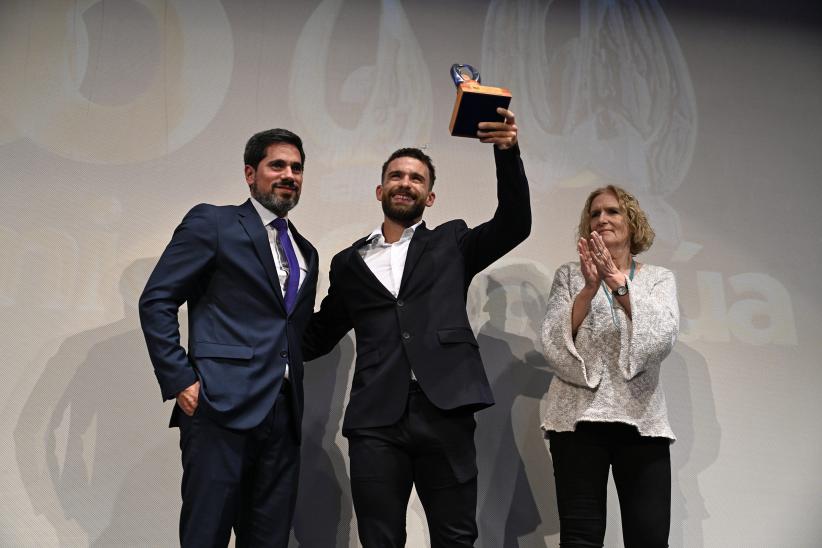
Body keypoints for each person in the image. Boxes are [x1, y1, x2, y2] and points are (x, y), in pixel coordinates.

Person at [303, 107, 530, 547]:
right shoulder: (348, 263)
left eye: (417, 179)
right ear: (380, 189)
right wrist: (256, 333)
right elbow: (317, 334)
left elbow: (516, 222)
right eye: (396, 176)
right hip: (375, 420)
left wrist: (507, 152)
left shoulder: (452, 242)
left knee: (455, 537)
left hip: (444, 409)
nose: (405, 183)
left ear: (430, 198)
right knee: (379, 539)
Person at [139, 128, 318, 547]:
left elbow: (293, 329)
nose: (288, 174)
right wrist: (181, 380)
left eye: (296, 167)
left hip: (283, 414)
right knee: (207, 536)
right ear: (250, 173)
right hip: (219, 407)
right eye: (277, 165)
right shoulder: (214, 222)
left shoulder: (305, 250)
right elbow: (157, 300)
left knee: (269, 539)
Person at [540, 185, 679, 548]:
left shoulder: (658, 279)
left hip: (641, 420)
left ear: (632, 222)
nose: (602, 219)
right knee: (580, 539)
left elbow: (662, 338)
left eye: (612, 212)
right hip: (577, 420)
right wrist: (588, 289)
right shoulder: (570, 276)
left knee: (648, 538)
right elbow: (554, 342)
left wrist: (618, 284)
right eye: (595, 213)